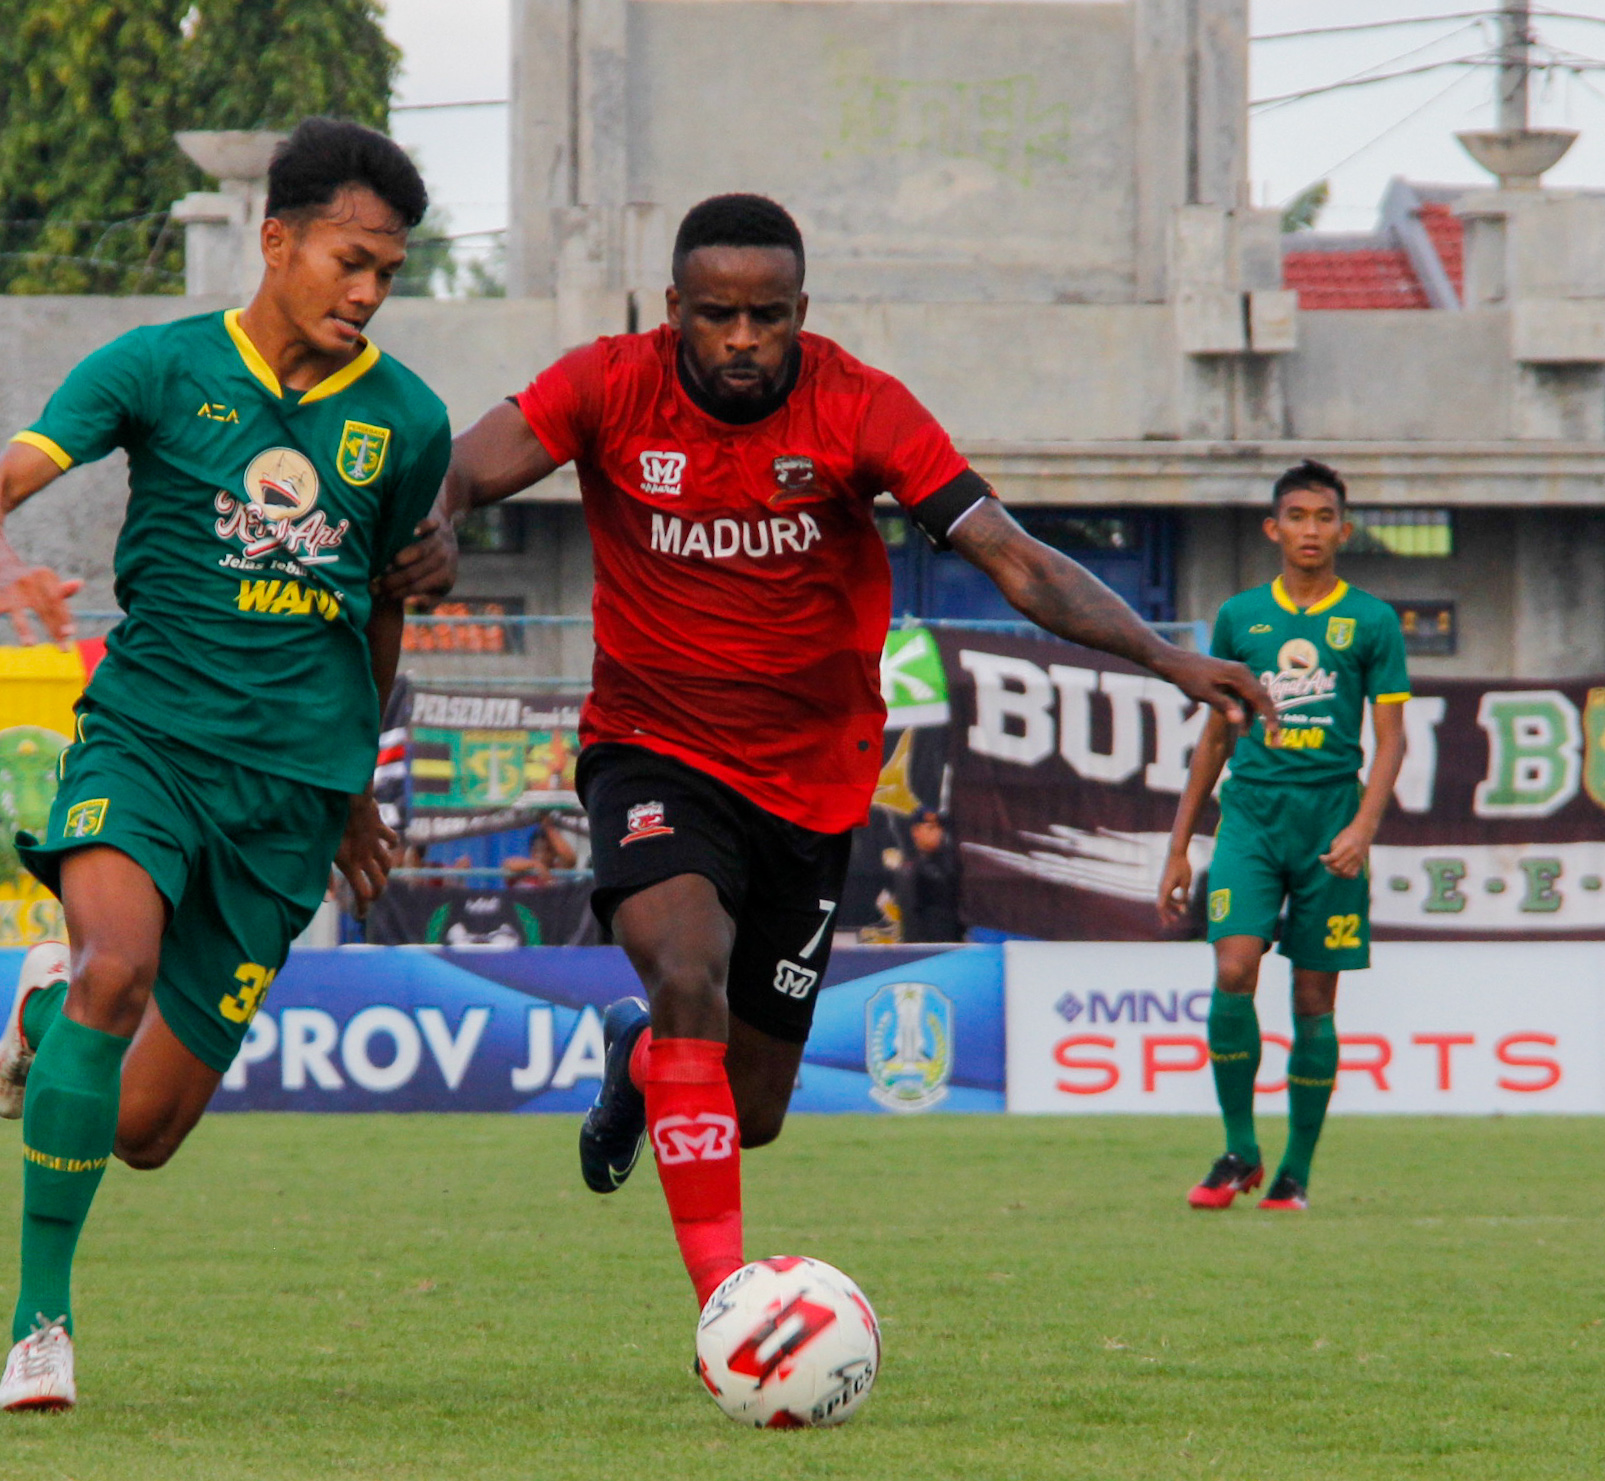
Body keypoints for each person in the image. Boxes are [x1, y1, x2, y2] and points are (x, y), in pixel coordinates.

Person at [386, 193, 1274, 1316]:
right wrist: (442, 517)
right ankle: (728, 1306)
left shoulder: (860, 406)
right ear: (674, 310)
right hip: (651, 746)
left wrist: (1162, 655)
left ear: (801, 310)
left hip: (809, 781)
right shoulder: (610, 380)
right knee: (686, 966)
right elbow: (464, 462)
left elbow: (1010, 555)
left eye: (767, 315)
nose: (743, 338)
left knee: (747, 1107)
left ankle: (642, 1053)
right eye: (717, 315)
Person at [0, 118, 451, 1412]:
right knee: (118, 962)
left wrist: (352, 793)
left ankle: (42, 1021)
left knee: (144, 1131)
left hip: (288, 797)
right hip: (151, 742)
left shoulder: (406, 422)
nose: (367, 291)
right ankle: (38, 1326)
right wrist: (1, 566)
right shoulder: (159, 368)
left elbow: (379, 613)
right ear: (274, 241)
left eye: (388, 272)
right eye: (348, 260)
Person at [1157, 460, 1409, 1214]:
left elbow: (1391, 740)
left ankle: (1294, 1171)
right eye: (1294, 515)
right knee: (1233, 966)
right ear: (1273, 528)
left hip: (1330, 821)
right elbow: (1212, 738)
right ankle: (1239, 1149)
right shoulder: (1240, 618)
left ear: (1343, 527)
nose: (1309, 529)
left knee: (1311, 998)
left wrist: (1363, 827)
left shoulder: (1370, 621)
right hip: (1252, 817)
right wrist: (1178, 845)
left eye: (1322, 516)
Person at [894, 810, 964, 943]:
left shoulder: (952, 862)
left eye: (939, 828)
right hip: (922, 947)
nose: (937, 833)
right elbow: (911, 913)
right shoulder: (910, 868)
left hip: (951, 946)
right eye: (930, 828)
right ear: (916, 832)